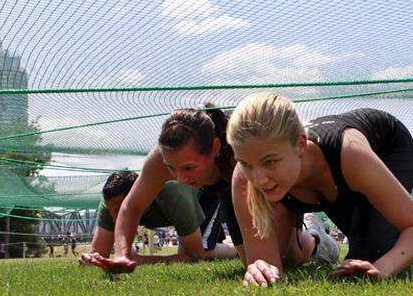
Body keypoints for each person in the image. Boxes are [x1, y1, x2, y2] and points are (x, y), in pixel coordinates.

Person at [88, 104, 333, 273]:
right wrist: (123, 254)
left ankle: (316, 238)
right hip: (226, 190)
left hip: (260, 187)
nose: (180, 179)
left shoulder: (242, 152)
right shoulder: (160, 162)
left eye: (189, 168)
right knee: (250, 260)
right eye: (172, 169)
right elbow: (131, 206)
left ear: (215, 148)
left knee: (284, 259)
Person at [226, 93, 413, 286]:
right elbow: (270, 266)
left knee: (372, 255)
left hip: (387, 148)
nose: (259, 179)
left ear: (300, 145)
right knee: (292, 258)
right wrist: (260, 270)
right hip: (335, 179)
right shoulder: (244, 179)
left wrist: (383, 268)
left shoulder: (351, 154)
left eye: (270, 162)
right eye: (246, 164)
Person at [78, 169, 238, 266]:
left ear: (139, 197)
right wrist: (91, 260)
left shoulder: (173, 194)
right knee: (183, 254)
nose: (116, 220)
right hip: (177, 206)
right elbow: (99, 253)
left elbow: (194, 256)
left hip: (206, 194)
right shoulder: (111, 203)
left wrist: (142, 260)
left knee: (203, 252)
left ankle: (237, 249)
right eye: (114, 212)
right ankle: (230, 242)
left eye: (122, 210)